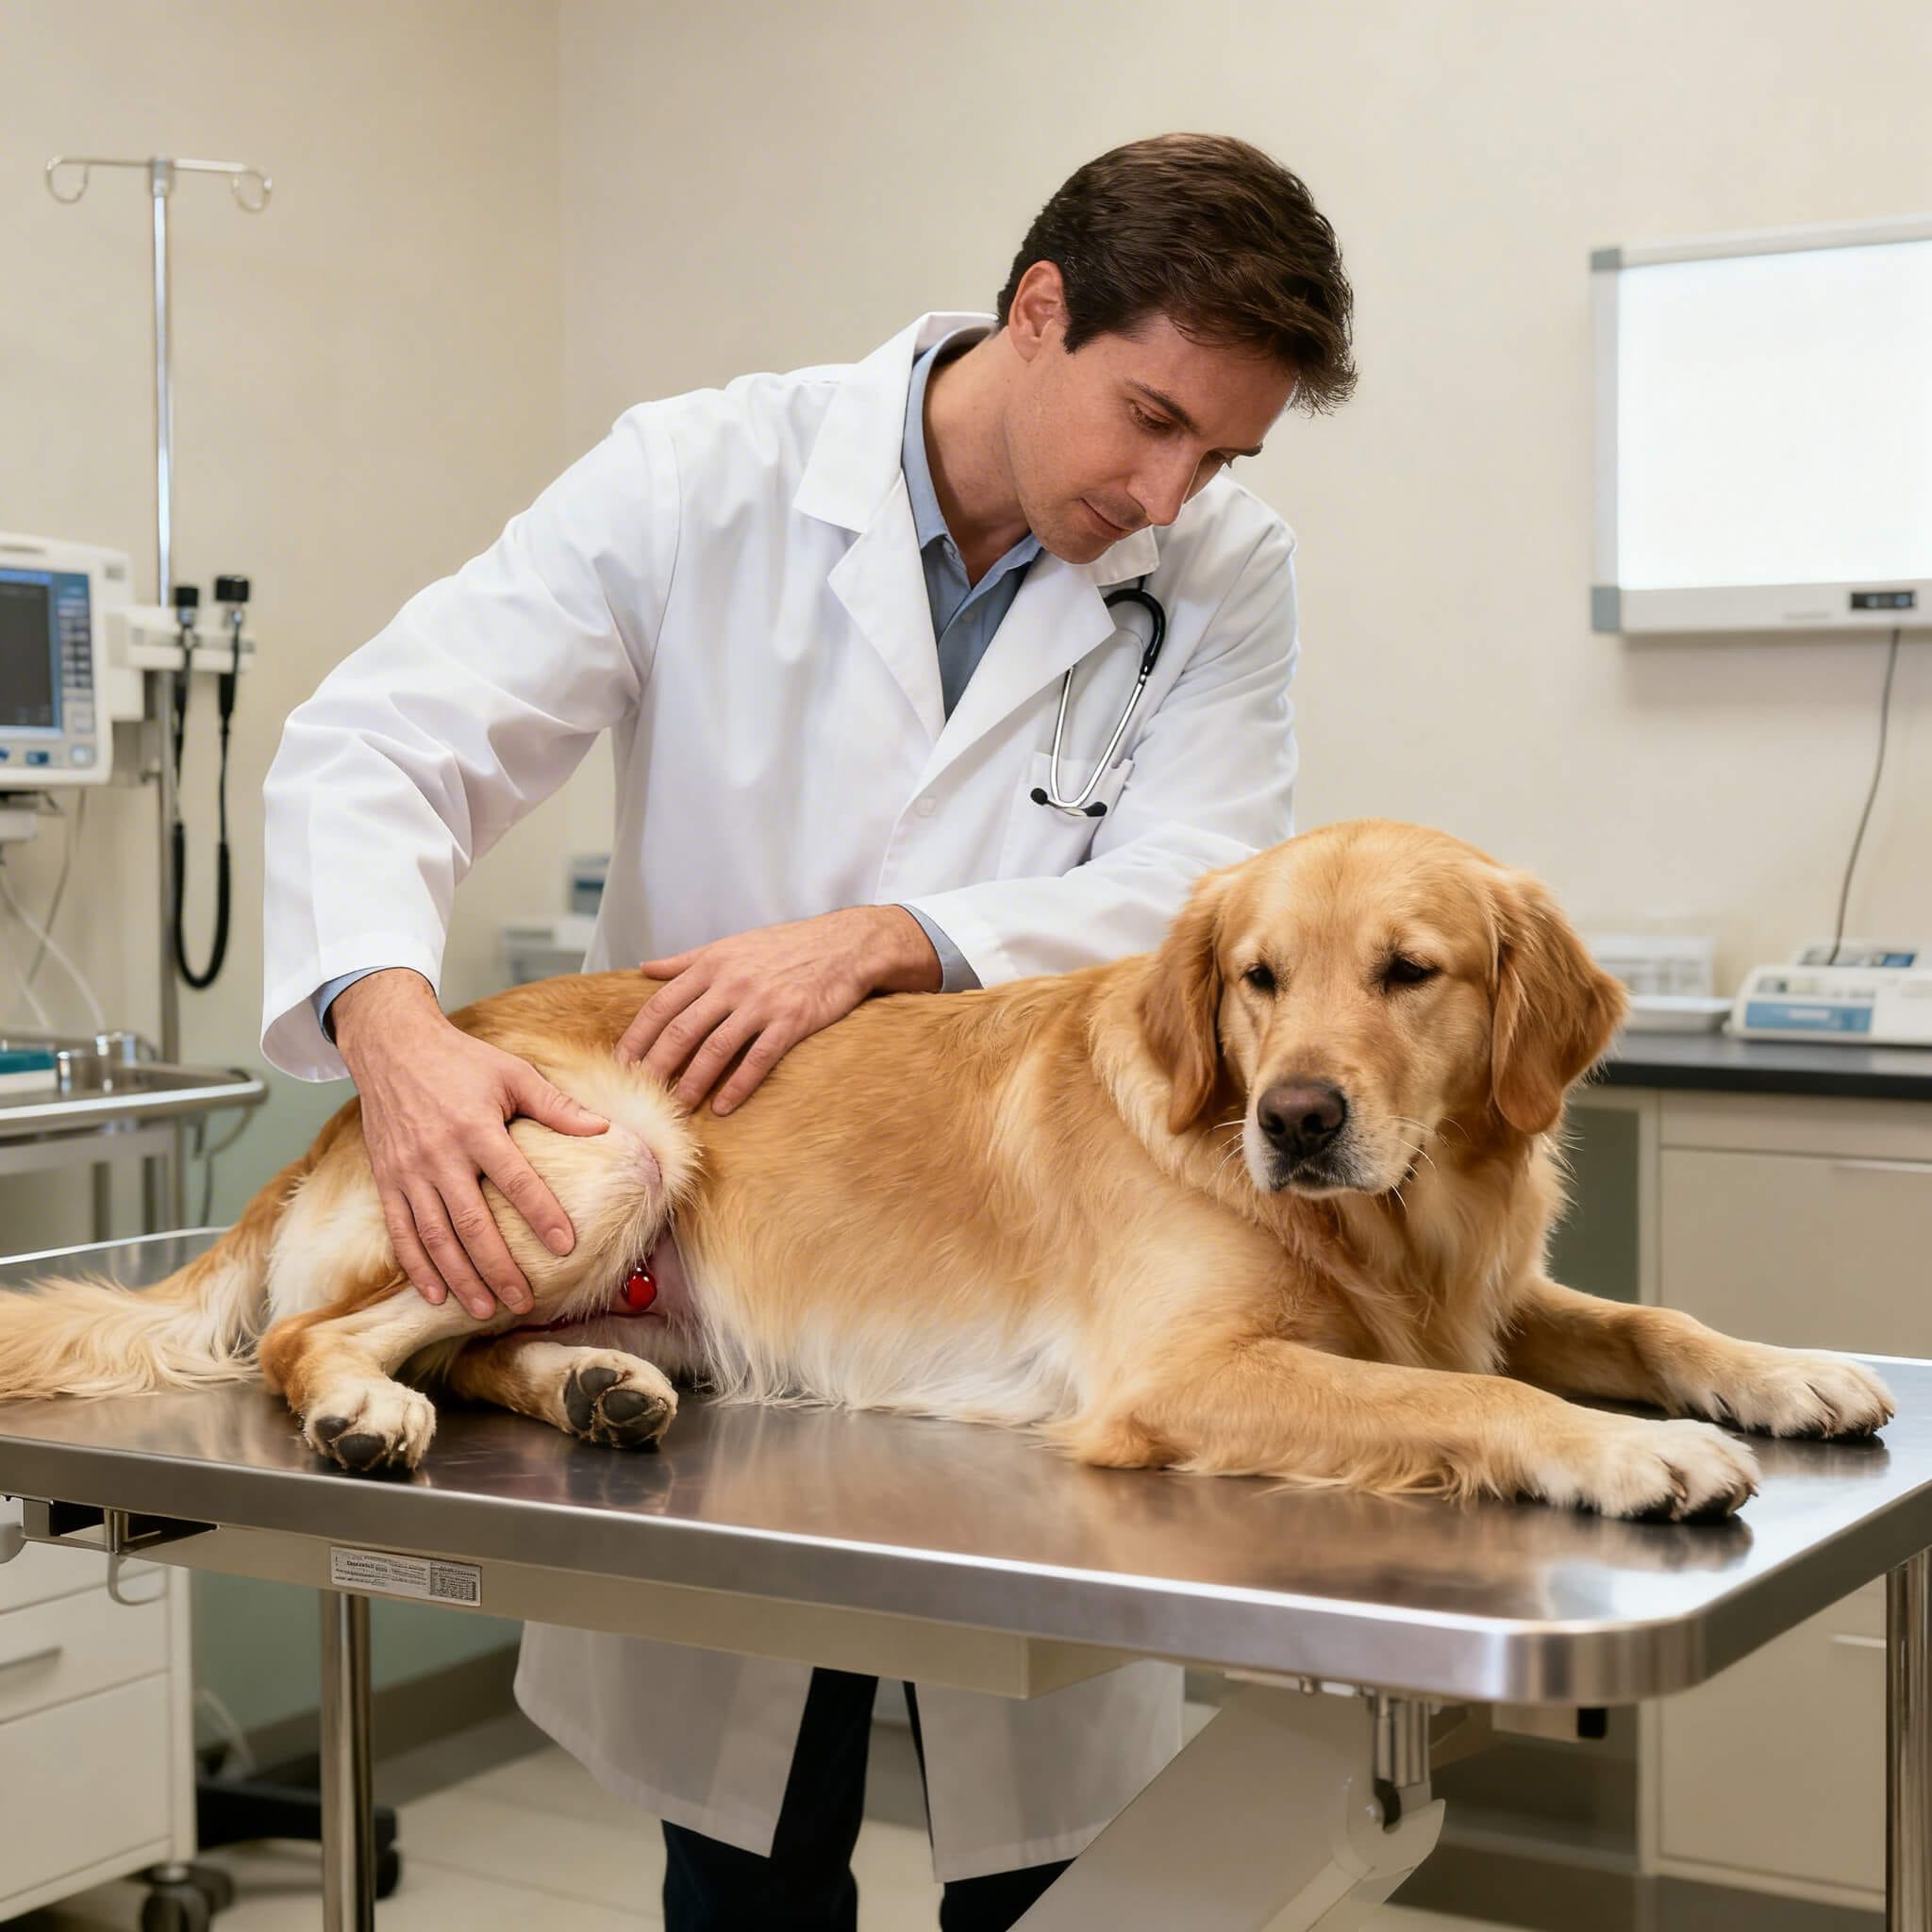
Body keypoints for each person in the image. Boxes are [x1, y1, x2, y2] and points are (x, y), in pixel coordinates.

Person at [262, 131, 1354, 1932]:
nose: (1173, 494)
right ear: (1037, 310)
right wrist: (393, 1025)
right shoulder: (706, 476)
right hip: (729, 1267)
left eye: (1220, 452)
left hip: (1034, 1297)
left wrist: (895, 941)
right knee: (750, 1847)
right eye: (1150, 420)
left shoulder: (1225, 573)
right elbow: (385, 739)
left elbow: (1216, 902)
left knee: (1058, 1866)